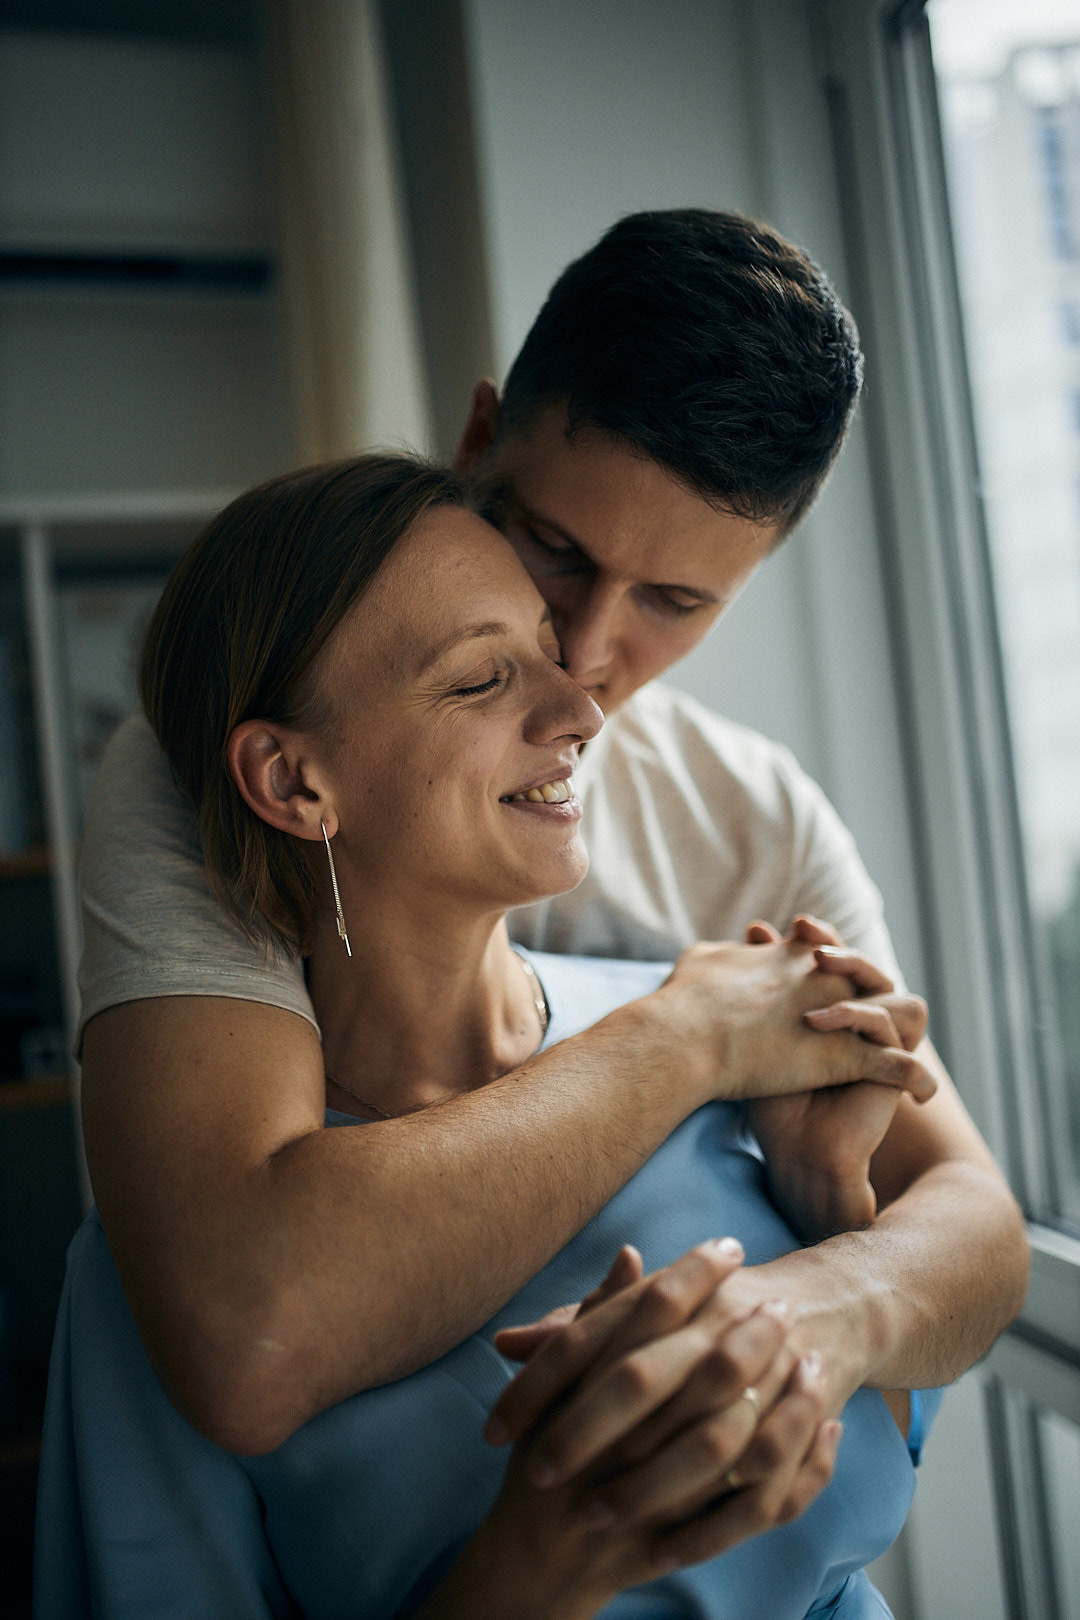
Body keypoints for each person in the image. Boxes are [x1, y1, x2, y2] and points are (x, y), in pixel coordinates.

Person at [74, 212, 1026, 1516]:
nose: (584, 657)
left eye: (673, 603)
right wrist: (688, 1040)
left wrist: (807, 1303)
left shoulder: (751, 821)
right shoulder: (205, 771)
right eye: (559, 552)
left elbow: (970, 1222)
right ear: (476, 444)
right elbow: (249, 1324)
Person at [39, 454, 944, 1617]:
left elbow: (872, 1482)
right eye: (481, 680)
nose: (580, 711)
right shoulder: (154, 1284)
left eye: (547, 653)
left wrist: (828, 1196)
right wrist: (541, 1560)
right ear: (294, 780)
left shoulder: (734, 1035)